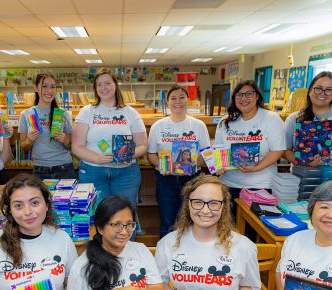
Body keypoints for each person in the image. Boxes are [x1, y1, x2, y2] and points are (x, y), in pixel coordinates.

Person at [72, 68, 147, 206]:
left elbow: (143, 146)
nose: (103, 88)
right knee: (99, 214)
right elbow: (76, 147)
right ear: (95, 88)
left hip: (126, 173)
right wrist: (98, 158)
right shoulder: (87, 112)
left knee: (125, 212)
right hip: (93, 171)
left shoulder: (131, 113)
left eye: (107, 83)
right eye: (99, 84)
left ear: (115, 85)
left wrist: (126, 155)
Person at [213, 80, 285, 216]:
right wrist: (219, 165)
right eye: (239, 95)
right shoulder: (225, 121)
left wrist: (256, 167)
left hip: (261, 187)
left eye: (248, 94)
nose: (243, 98)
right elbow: (219, 150)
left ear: (257, 96)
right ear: (234, 98)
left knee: (255, 231)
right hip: (229, 185)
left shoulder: (271, 119)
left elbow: (278, 150)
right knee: (229, 229)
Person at [147, 85, 210, 237]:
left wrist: (195, 164)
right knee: (168, 222)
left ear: (188, 100)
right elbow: (151, 155)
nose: (178, 101)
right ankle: (166, 257)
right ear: (167, 102)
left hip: (192, 180)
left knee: (193, 221)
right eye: (173, 98)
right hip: (166, 180)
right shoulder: (158, 126)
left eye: (182, 97)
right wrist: (162, 165)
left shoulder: (198, 125)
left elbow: (207, 154)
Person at [284, 71, 332, 166]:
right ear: (309, 91)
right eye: (318, 88)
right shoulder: (294, 118)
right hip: (301, 177)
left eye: (329, 89)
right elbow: (284, 151)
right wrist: (305, 161)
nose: (322, 93)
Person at [18, 72, 75, 180]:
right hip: (39, 170)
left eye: (53, 87)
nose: (49, 91)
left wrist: (65, 140)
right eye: (44, 86)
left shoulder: (63, 113)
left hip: (64, 168)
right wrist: (29, 141)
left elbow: (71, 146)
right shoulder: (26, 114)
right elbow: (24, 148)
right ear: (35, 88)